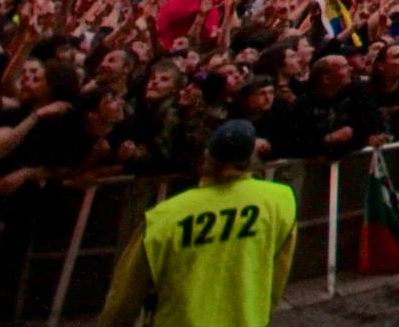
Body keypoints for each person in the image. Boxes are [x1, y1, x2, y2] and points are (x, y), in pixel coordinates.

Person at [95, 119, 297, 327]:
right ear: (250, 157)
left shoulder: (165, 217)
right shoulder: (279, 201)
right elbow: (277, 276)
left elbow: (123, 300)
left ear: (207, 156)